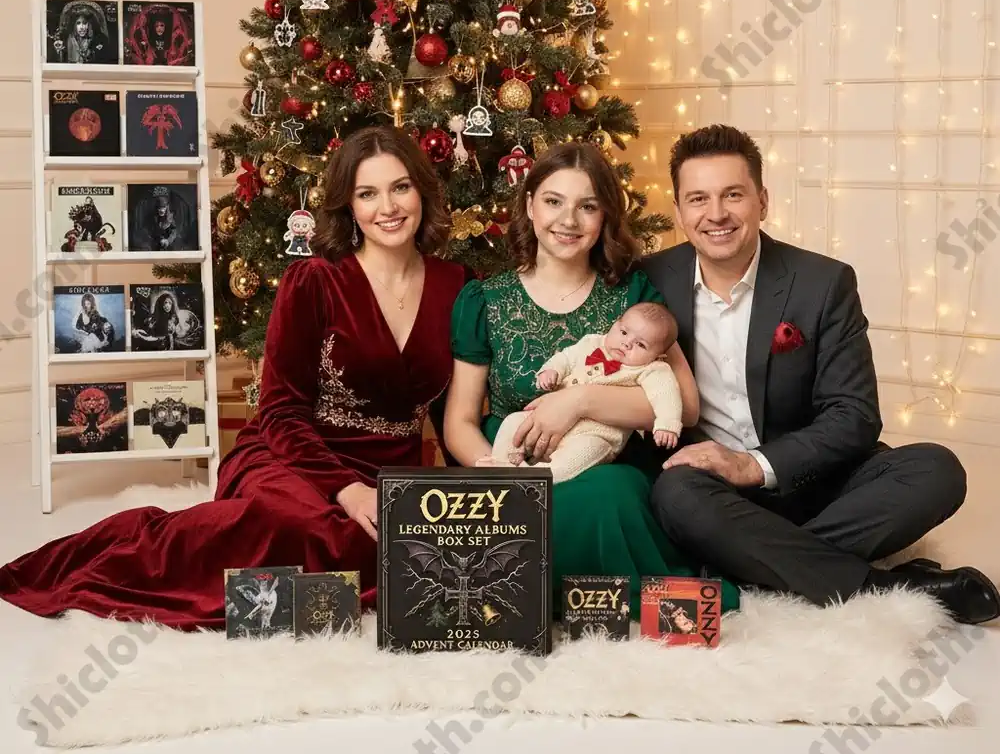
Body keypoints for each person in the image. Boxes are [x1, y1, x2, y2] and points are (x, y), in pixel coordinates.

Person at [0, 126, 466, 628]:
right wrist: (346, 490)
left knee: (402, 540)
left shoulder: (458, 286)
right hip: (292, 455)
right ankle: (137, 549)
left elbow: (452, 413)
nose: (388, 207)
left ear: (421, 189)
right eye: (367, 193)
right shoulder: (314, 282)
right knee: (302, 526)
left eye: (400, 187)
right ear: (347, 206)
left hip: (389, 472)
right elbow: (281, 412)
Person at [644, 123, 1000, 625]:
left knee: (936, 470)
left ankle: (754, 561)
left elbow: (854, 416)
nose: (716, 214)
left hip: (814, 482)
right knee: (675, 495)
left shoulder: (823, 281)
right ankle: (882, 585)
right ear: (679, 211)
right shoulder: (651, 280)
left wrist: (754, 465)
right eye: (698, 198)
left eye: (733, 194)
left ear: (762, 201)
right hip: (713, 495)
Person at [444, 141, 741, 617]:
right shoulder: (484, 299)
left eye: (588, 206)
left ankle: (607, 604)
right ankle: (524, 597)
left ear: (604, 217)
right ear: (529, 206)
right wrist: (493, 473)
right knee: (510, 512)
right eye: (553, 201)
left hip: (599, 463)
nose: (569, 220)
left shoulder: (634, 297)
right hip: (509, 465)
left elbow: (683, 407)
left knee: (611, 495)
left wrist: (581, 400)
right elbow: (459, 418)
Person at [485, 302, 685, 482]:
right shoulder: (592, 343)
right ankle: (501, 464)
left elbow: (666, 395)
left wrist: (667, 424)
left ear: (659, 355)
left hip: (596, 434)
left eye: (641, 344)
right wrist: (551, 370)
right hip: (548, 419)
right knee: (513, 422)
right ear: (615, 324)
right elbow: (566, 358)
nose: (627, 343)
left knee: (583, 453)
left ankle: (537, 477)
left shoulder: (653, 369)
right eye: (624, 332)